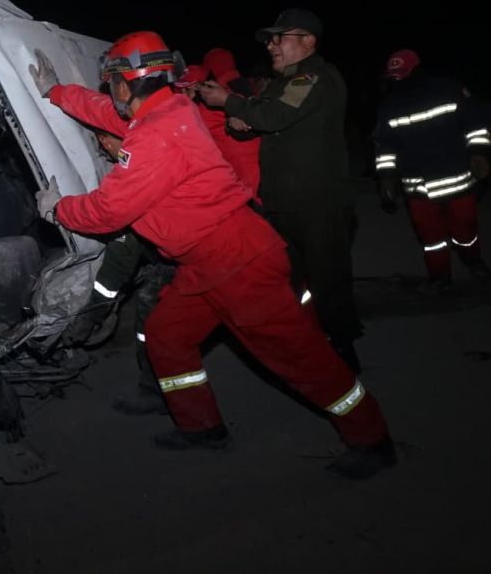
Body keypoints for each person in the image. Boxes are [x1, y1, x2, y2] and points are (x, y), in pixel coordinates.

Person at [28, 30, 395, 479]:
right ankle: (201, 427)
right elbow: (107, 113)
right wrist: (57, 92)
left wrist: (58, 209)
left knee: (300, 357)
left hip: (237, 263)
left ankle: (371, 438)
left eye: (113, 83)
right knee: (167, 334)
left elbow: (108, 211)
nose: (111, 91)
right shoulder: (168, 110)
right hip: (209, 261)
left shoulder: (154, 136)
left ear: (127, 84)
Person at [197, 8, 363, 374]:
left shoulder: (314, 77)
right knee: (286, 279)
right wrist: (239, 120)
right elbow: (255, 121)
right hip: (283, 203)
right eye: (270, 40)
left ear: (308, 41)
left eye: (279, 38)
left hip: (319, 203)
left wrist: (230, 102)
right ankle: (304, 342)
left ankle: (343, 349)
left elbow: (272, 116)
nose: (271, 45)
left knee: (328, 279)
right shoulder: (279, 83)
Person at [62, 129, 173, 416]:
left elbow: (117, 266)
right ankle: (167, 395)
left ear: (106, 141)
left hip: (202, 258)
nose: (107, 154)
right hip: (207, 250)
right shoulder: (155, 153)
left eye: (104, 144)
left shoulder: (132, 185)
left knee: (155, 324)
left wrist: (90, 317)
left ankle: (159, 393)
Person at [372, 48, 491, 288]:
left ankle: (473, 261)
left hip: (456, 178)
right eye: (394, 77)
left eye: (403, 75)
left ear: (417, 70)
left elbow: (476, 125)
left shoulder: (448, 90)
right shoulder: (390, 106)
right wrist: (386, 177)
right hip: (417, 185)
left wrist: (478, 153)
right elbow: (385, 146)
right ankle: (440, 278)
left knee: (465, 231)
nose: (399, 81)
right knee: (431, 239)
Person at [173, 61, 261, 201]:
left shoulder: (207, 107)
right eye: (180, 91)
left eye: (187, 90)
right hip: (244, 169)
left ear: (200, 87)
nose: (183, 95)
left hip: (250, 171)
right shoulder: (224, 97)